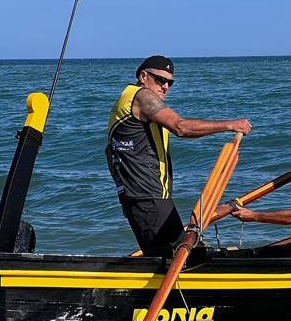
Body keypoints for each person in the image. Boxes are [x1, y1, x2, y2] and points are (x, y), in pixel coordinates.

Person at [106, 55, 252, 256]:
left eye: (170, 83)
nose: (165, 87)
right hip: (149, 197)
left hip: (144, 198)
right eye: (160, 80)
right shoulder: (142, 96)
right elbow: (181, 127)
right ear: (143, 76)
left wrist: (124, 195)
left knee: (186, 252)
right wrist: (230, 125)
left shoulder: (125, 101)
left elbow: (110, 152)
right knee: (176, 258)